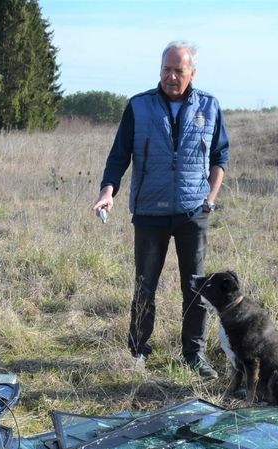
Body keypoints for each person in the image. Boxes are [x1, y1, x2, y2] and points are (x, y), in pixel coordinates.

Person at [92, 41, 229, 378]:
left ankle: (193, 355)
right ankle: (138, 350)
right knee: (145, 285)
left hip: (192, 212)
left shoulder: (210, 107)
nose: (170, 77)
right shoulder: (139, 107)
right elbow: (119, 156)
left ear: (191, 73)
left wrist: (210, 199)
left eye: (178, 71)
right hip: (150, 212)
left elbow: (220, 158)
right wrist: (107, 192)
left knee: (195, 287)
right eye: (166, 70)